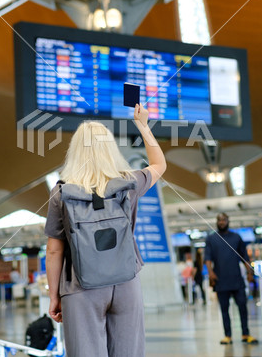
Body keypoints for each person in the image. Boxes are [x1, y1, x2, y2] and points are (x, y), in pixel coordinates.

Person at [45, 103, 166, 357]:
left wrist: (54, 296)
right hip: (126, 282)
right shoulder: (129, 184)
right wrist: (143, 125)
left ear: (75, 152)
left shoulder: (62, 192)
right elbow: (159, 165)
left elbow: (54, 251)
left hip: (80, 286)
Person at [205, 213, 258, 345]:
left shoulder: (236, 237)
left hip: (237, 280)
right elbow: (207, 258)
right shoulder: (211, 239)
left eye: (223, 220)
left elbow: (245, 257)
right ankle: (227, 336)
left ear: (228, 221)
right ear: (217, 222)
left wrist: (249, 272)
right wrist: (211, 273)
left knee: (242, 307)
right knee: (224, 309)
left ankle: (246, 334)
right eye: (219, 220)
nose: (221, 222)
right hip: (220, 280)